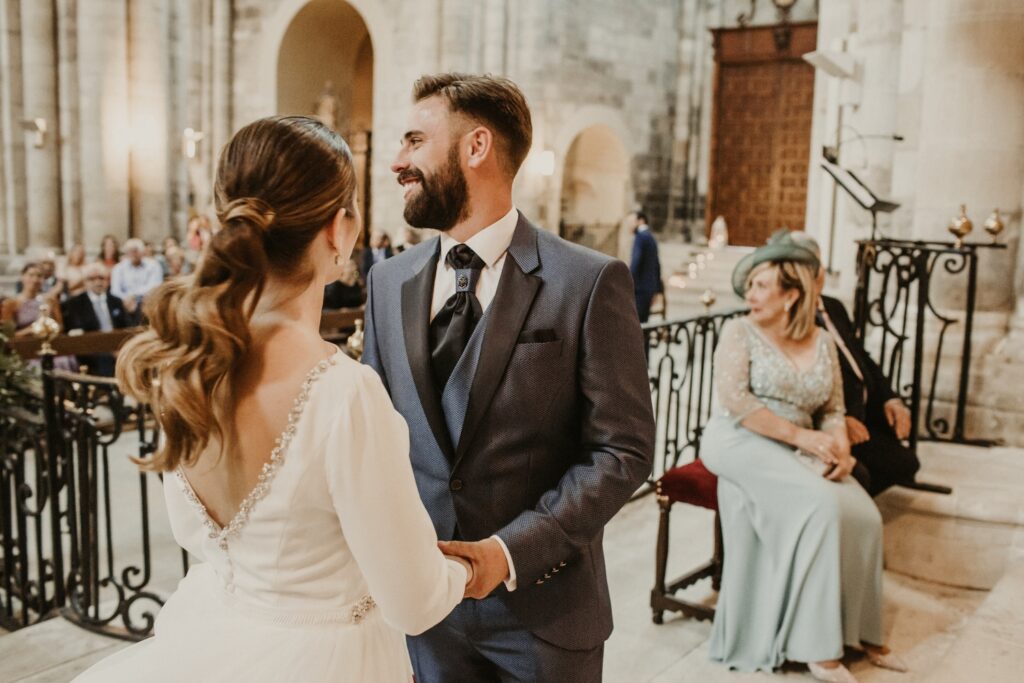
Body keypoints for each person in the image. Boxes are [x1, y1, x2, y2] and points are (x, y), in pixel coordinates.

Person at [74, 116, 469, 682]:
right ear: (339, 229)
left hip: (212, 639)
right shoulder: (342, 393)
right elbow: (414, 602)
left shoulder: (185, 365)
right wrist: (467, 569)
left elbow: (198, 537)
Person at [363, 73, 654, 681]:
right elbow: (375, 439)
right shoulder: (386, 284)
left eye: (415, 140)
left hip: (544, 618)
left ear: (476, 147)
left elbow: (621, 451)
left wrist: (507, 554)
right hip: (425, 618)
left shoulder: (588, 281)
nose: (397, 161)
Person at [699, 240, 905, 682]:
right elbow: (736, 401)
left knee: (864, 514)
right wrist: (805, 439)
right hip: (741, 437)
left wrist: (842, 453)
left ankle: (863, 633)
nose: (750, 294)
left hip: (803, 440)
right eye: (750, 285)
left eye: (761, 285)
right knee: (823, 507)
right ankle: (818, 650)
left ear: (791, 295)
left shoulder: (824, 340)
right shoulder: (738, 332)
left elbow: (832, 410)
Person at [785, 231, 920, 496]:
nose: (818, 274)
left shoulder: (834, 307)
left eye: (818, 265)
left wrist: (890, 399)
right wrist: (839, 419)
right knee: (866, 473)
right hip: (836, 421)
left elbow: (862, 358)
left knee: (907, 463)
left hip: (867, 413)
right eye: (808, 268)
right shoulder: (792, 317)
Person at [61, 263, 131, 376]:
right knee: (104, 358)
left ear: (108, 281)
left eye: (101, 278)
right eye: (92, 279)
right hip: (90, 349)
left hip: (118, 346)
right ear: (84, 282)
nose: (98, 282)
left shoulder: (116, 301)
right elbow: (76, 332)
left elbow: (127, 327)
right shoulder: (74, 304)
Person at [109, 238, 163, 323]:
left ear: (142, 252)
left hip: (146, 302)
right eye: (129, 251)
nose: (133, 254)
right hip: (124, 304)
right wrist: (126, 299)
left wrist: (134, 296)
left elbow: (155, 286)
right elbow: (115, 290)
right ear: (126, 253)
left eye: (135, 250)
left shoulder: (154, 265)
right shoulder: (118, 268)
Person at [629, 211, 662, 323]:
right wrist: (657, 289)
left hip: (640, 289)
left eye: (632, 222)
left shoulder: (640, 237)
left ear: (641, 221)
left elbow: (636, 262)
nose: (630, 225)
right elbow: (657, 265)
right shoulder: (651, 237)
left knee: (636, 323)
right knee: (644, 323)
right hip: (649, 288)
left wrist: (628, 282)